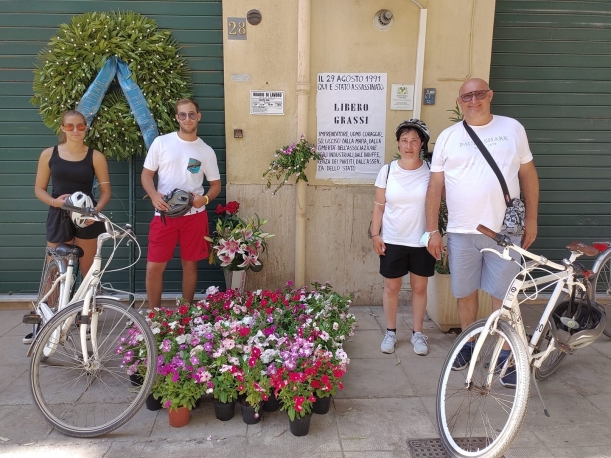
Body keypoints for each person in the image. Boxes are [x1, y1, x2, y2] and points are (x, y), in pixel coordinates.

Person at [425, 78, 539, 386]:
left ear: (489, 95)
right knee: (465, 293)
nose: (473, 100)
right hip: (462, 232)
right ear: (459, 101)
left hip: (505, 232)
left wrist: (532, 220)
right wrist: (432, 230)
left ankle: (505, 354)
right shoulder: (448, 137)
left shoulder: (512, 129)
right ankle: (469, 343)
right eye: (467, 96)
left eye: (479, 94)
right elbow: (435, 186)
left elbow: (528, 174)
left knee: (503, 297)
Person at [29, 109, 111, 343]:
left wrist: (95, 212)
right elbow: (39, 189)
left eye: (80, 126)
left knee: (88, 272)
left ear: (86, 128)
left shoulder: (96, 156)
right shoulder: (49, 154)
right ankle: (45, 322)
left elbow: (105, 192)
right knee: (55, 270)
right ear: (62, 129)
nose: (76, 130)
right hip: (59, 215)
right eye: (70, 126)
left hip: (86, 217)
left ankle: (85, 318)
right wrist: (55, 202)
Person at [141, 98, 221, 309]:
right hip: (164, 215)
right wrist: (154, 195)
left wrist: (203, 199)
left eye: (192, 114)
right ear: (177, 117)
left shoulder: (206, 151)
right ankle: (154, 316)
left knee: (190, 265)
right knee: (153, 268)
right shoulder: (162, 143)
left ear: (198, 116)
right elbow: (146, 175)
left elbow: (215, 185)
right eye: (183, 115)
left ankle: (184, 314)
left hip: (194, 217)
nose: (188, 118)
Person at [371, 119, 437, 355]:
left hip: (421, 241)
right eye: (404, 140)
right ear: (398, 143)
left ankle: (418, 334)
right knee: (392, 287)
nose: (408, 145)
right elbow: (379, 206)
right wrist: (375, 234)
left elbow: (440, 202)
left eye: (414, 141)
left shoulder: (431, 172)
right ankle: (390, 332)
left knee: (420, 288)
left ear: (422, 144)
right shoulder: (387, 171)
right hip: (393, 239)